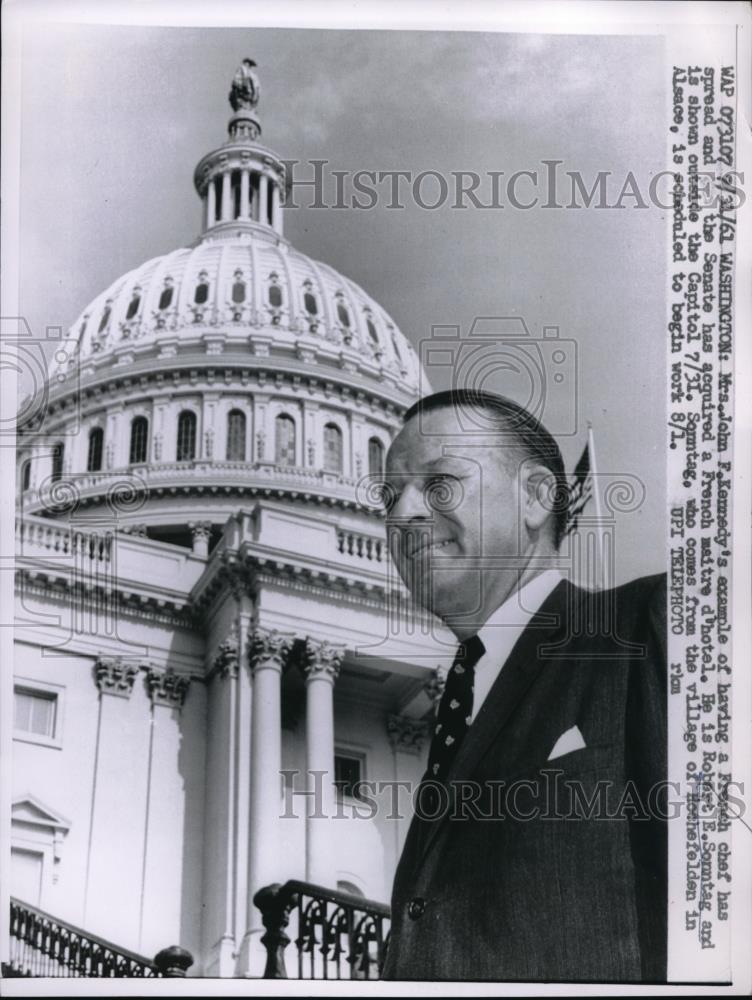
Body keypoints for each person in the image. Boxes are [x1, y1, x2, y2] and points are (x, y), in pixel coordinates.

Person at [380, 389, 667, 983]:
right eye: (390, 495)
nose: (401, 514)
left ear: (537, 497)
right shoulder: (460, 707)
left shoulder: (650, 624)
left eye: (438, 485)